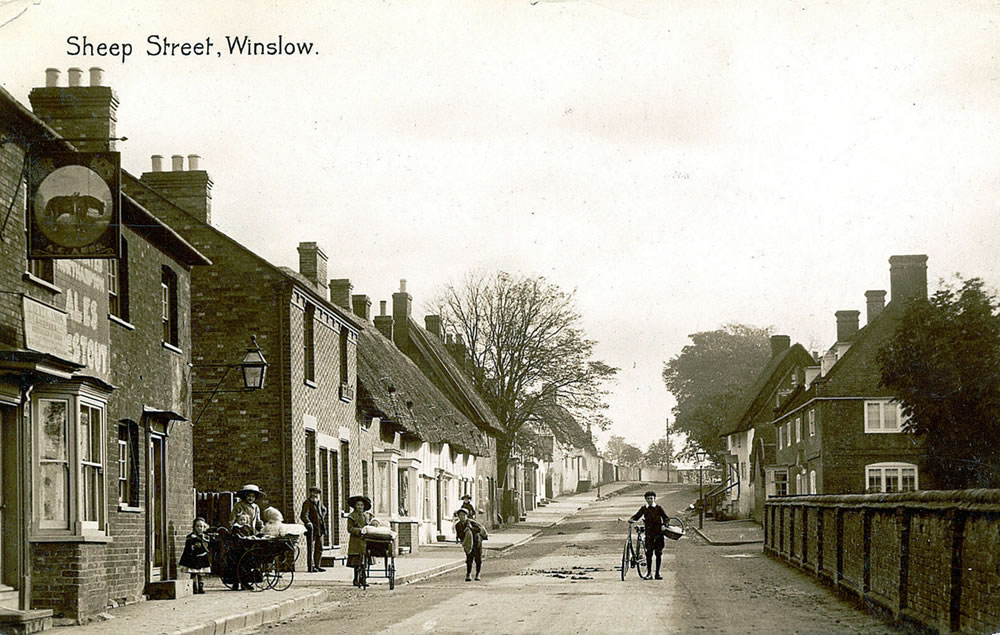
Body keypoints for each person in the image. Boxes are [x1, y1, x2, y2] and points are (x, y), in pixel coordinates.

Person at [629, 490, 670, 580]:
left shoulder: (659, 508)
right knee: (649, 553)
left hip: (659, 534)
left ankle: (658, 573)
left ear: (654, 498)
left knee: (658, 553)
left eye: (651, 498)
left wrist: (664, 525)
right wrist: (631, 519)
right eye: (648, 499)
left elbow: (666, 518)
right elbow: (637, 516)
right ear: (645, 499)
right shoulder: (644, 508)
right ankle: (649, 573)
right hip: (649, 534)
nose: (650, 500)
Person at [346, 495, 378, 587]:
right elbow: (350, 529)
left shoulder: (367, 516)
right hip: (356, 541)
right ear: (355, 506)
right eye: (358, 505)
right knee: (357, 562)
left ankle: (363, 578)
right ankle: (356, 578)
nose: (360, 507)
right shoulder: (352, 516)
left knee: (365, 560)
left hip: (366, 541)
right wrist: (359, 530)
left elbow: (372, 523)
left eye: (361, 505)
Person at [179, 517, 212, 594]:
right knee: (193, 573)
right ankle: (194, 588)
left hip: (202, 556)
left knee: (201, 573)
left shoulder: (205, 537)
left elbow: (209, 544)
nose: (199, 528)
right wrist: (193, 547)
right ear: (194, 527)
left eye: (201, 526)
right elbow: (187, 547)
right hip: (193, 558)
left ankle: (201, 587)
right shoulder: (190, 537)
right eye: (197, 526)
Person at [300, 486, 328, 572]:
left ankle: (317, 565)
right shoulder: (307, 503)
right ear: (310, 493)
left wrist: (322, 517)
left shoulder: (319, 503)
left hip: (320, 528)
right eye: (314, 492)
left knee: (319, 548)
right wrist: (308, 522)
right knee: (311, 548)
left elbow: (324, 510)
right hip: (312, 529)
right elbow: (304, 515)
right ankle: (311, 567)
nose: (315, 495)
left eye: (317, 493)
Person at [454, 507, 486, 582]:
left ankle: (478, 573)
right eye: (460, 515)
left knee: (478, 558)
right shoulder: (458, 525)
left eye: (463, 515)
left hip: (476, 542)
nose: (462, 517)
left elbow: (479, 529)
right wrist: (465, 532)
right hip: (467, 543)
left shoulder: (472, 522)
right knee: (469, 558)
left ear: (466, 516)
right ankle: (468, 574)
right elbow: (459, 535)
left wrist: (471, 529)